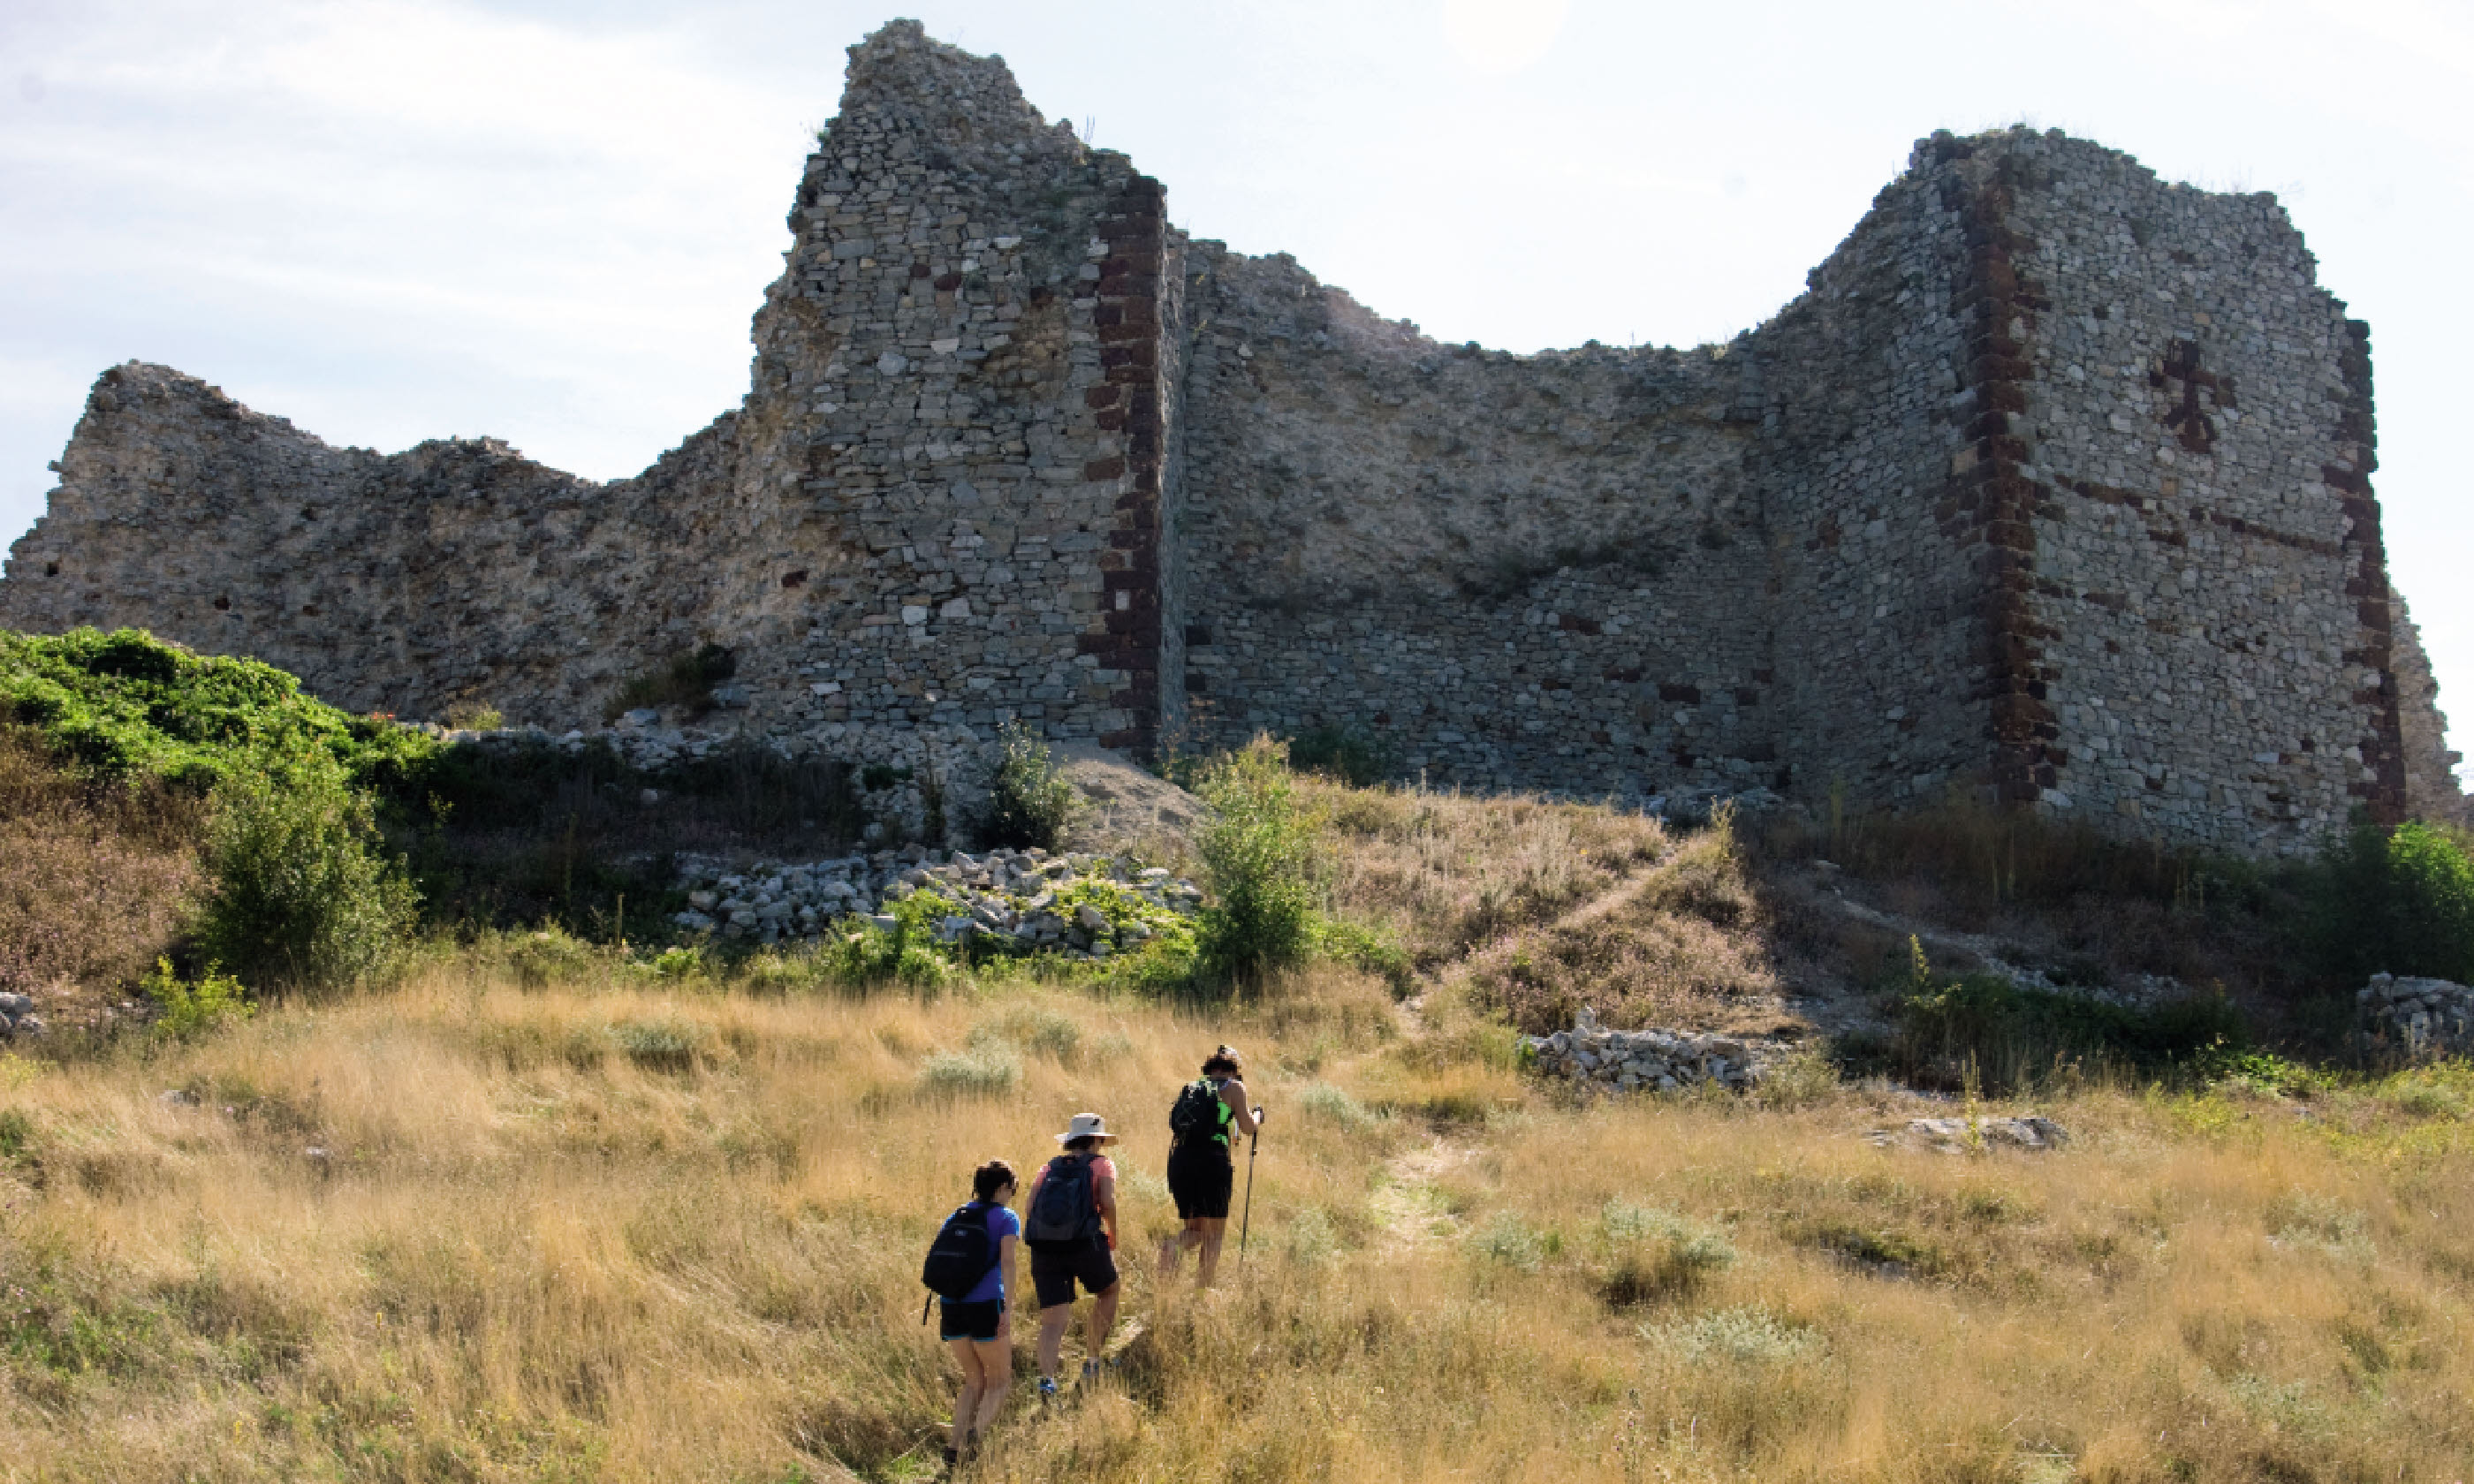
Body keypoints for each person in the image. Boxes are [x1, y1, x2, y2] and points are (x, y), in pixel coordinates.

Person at [1021, 1111, 1120, 1396]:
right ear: (1097, 1140)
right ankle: (1091, 1361)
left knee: (1052, 1321)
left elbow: (1029, 1209)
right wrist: (1112, 1231)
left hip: (1044, 1248)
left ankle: (1047, 1381)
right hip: (1085, 1243)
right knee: (1108, 1292)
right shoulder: (1102, 1165)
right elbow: (1107, 1202)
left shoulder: (1048, 1168)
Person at [1157, 1045, 1264, 1289]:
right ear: (1233, 1071)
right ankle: (1201, 1293)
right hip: (1212, 1163)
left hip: (1181, 1161)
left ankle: (1169, 1255)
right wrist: (1258, 1116)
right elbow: (1248, 1127)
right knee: (1215, 1233)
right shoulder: (1234, 1087)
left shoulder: (1193, 1088)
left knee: (1194, 1230)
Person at [938, 1160, 1020, 1470]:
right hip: (985, 1304)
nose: (1013, 1194)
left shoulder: (956, 1214)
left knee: (973, 1380)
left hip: (951, 1304)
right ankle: (976, 1436)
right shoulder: (1006, 1218)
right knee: (999, 1381)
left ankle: (953, 1449)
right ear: (1001, 1188)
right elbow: (1008, 1263)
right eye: (1012, 1188)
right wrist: (1007, 1310)